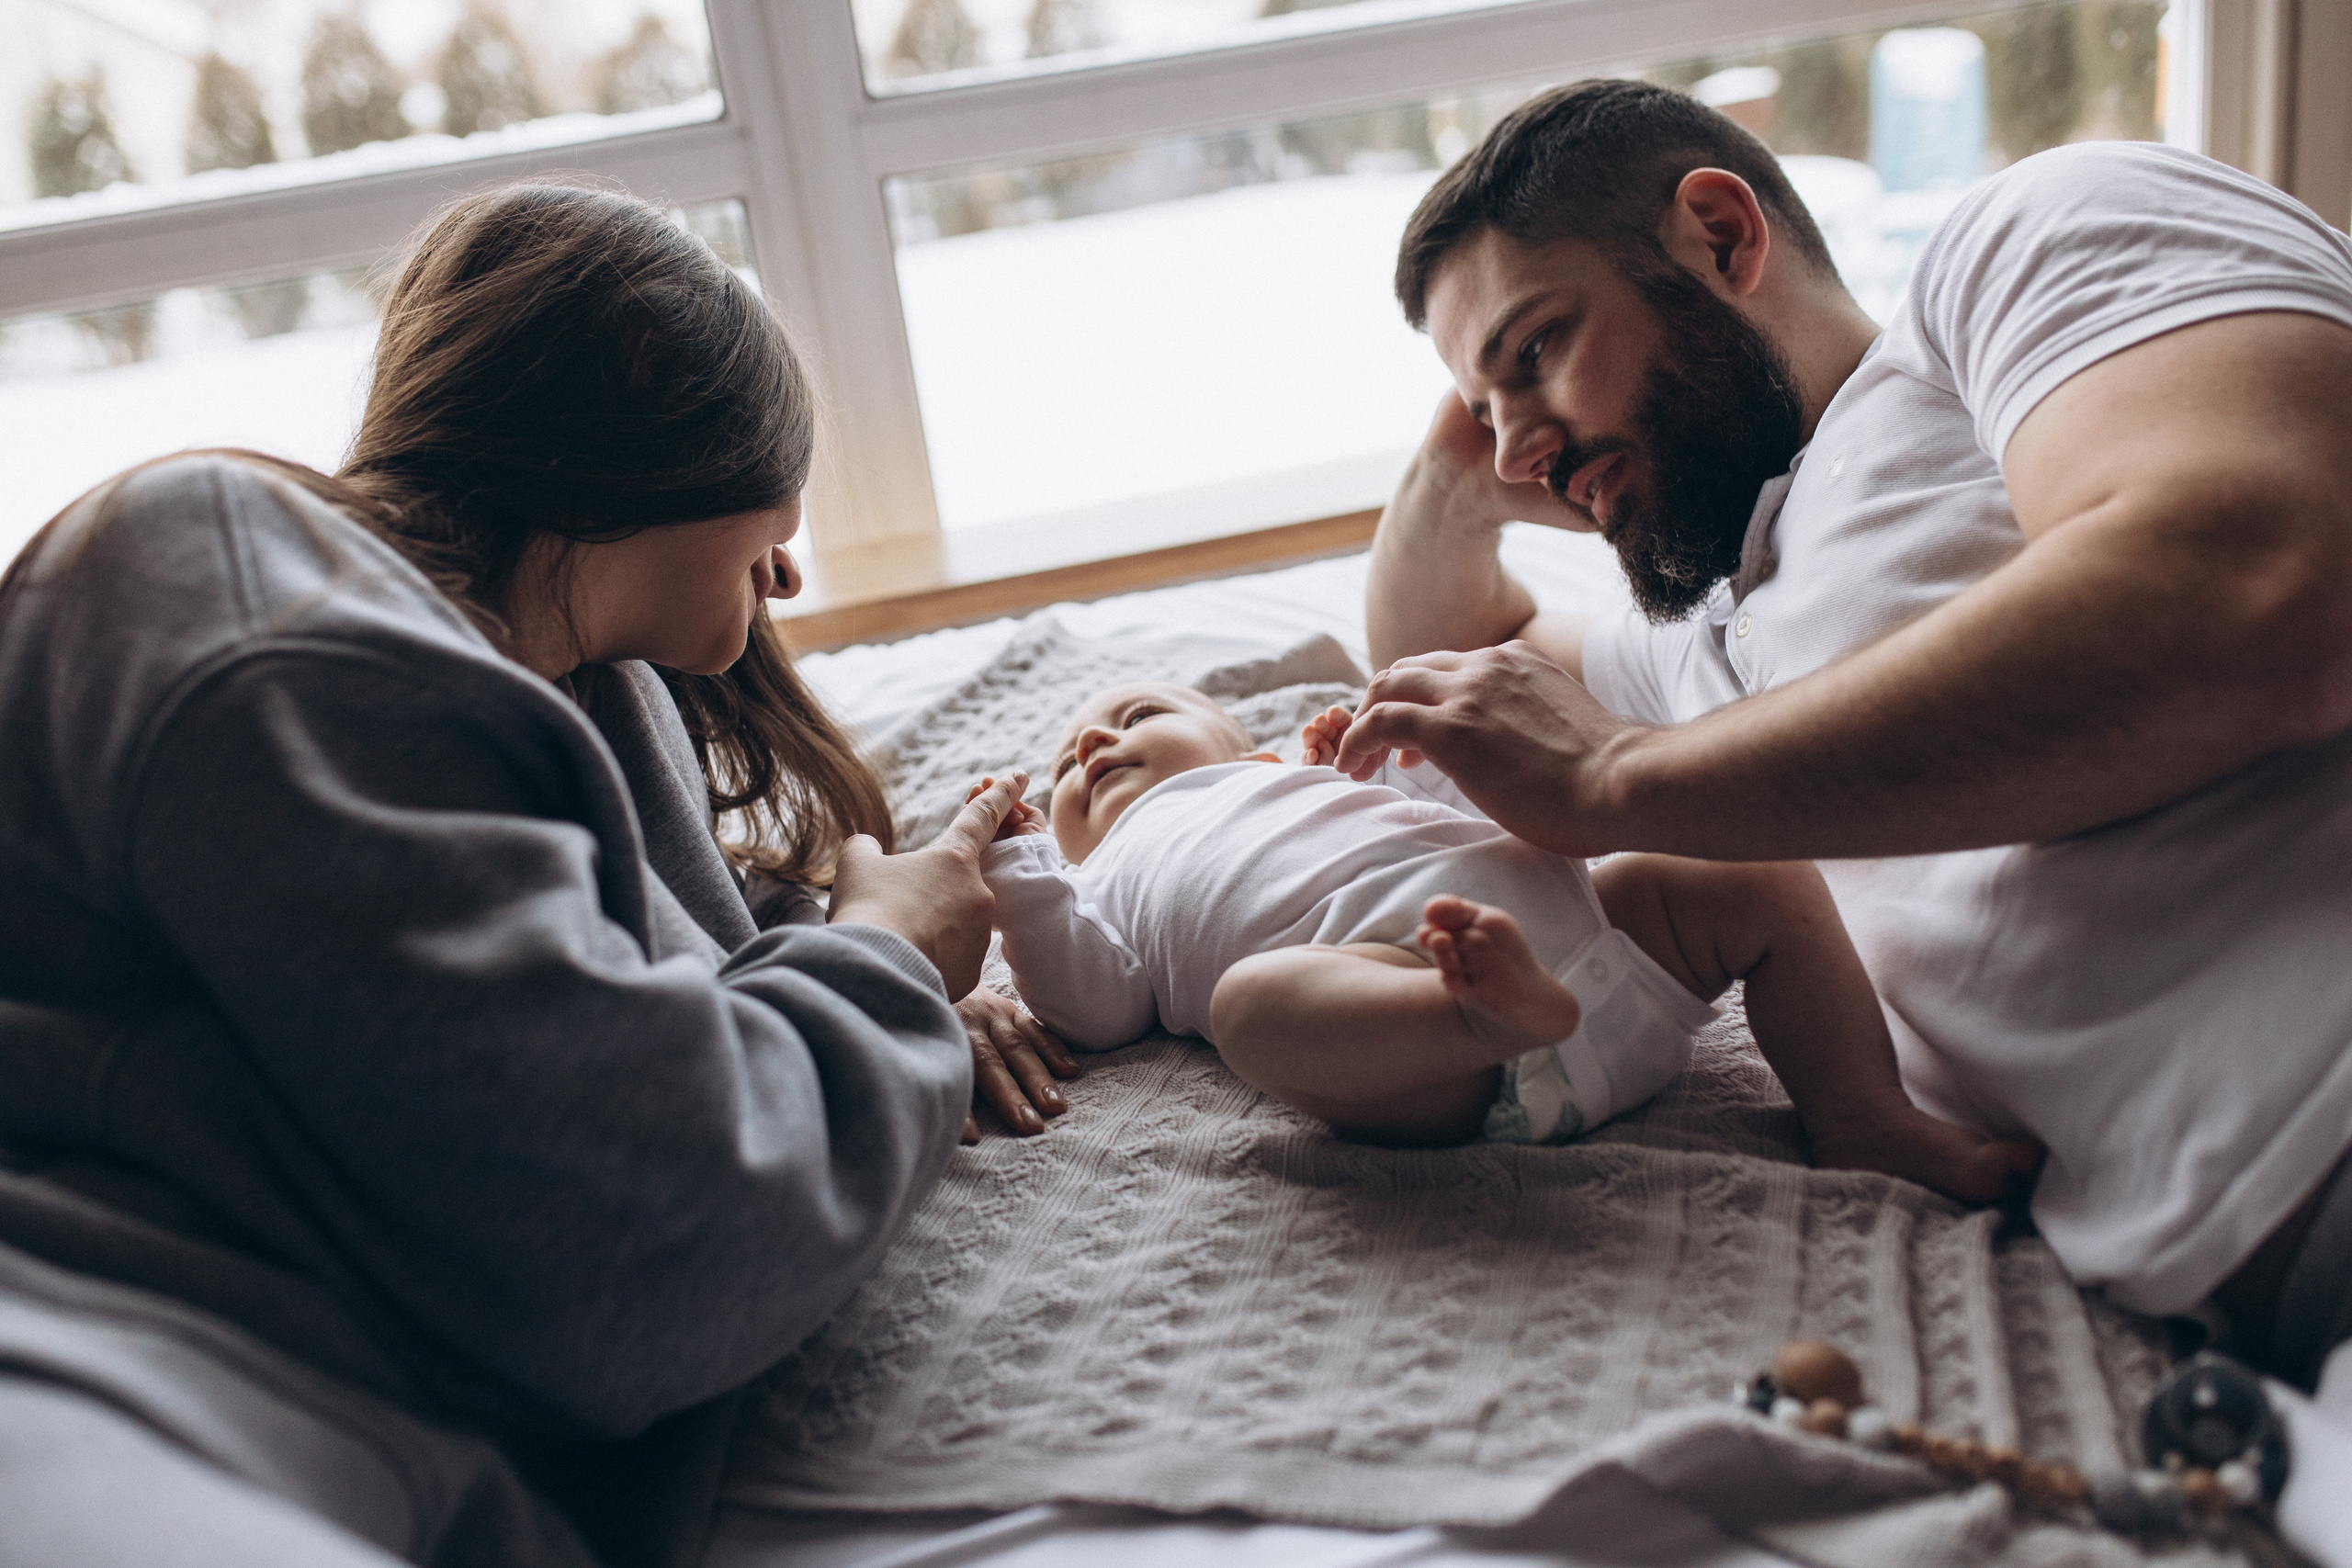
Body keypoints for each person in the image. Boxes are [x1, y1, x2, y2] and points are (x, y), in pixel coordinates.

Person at [0, 184, 1065, 1568]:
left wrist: (850, 952)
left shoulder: (548, 681)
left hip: (331, 1436)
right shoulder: (242, 615)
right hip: (104, 1373)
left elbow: (574, 979)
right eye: (771, 491)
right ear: (639, 434)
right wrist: (881, 969)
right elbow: (663, 1250)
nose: (789, 574)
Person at [1334, 79, 2352, 1408]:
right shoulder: (1718, 645)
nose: (1521, 449)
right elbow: (1439, 644)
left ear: (1718, 235)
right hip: (2277, 1310)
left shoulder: (2023, 244)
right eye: (1489, 402)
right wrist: (1472, 450)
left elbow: (2266, 585)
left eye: (1538, 344)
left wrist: (1614, 780)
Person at [973, 679, 2040, 1201]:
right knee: (1255, 1009)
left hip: (1594, 943)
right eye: (1070, 765)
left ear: (1242, 742)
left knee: (1748, 867)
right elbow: (1092, 1004)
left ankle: (1858, 1111)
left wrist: (1405, 757)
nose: (1094, 746)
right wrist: (1022, 873)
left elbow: (1495, 816)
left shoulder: (1298, 775)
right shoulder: (1094, 879)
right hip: (1428, 1052)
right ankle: (1471, 1010)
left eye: (1131, 713)